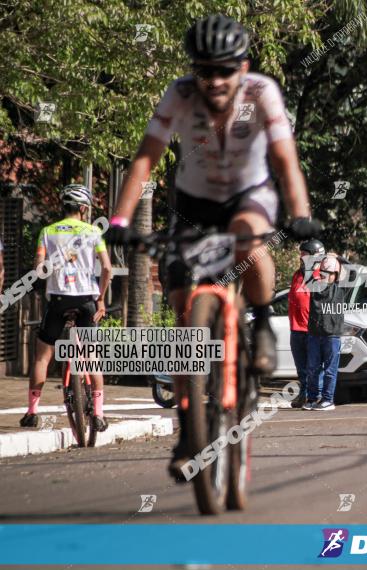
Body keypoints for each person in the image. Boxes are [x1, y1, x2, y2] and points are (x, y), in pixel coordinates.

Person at [105, 14, 315, 480]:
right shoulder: (179, 94)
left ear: (243, 66)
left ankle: (259, 324)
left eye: (225, 69)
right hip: (195, 203)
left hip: (249, 194)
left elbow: (285, 160)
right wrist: (119, 219)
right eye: (205, 70)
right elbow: (146, 158)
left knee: (248, 237)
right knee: (183, 308)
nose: (215, 80)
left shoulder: (262, 94)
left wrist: (299, 214)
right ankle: (188, 430)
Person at [20, 184, 112, 431]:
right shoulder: (93, 232)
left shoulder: (47, 232)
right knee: (91, 357)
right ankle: (100, 415)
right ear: (83, 208)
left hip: (58, 300)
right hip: (86, 301)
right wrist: (100, 299)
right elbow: (106, 269)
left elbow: (39, 267)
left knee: (42, 356)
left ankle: (32, 412)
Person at [305, 255, 346, 410]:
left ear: (335, 274)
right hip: (315, 335)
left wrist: (338, 258)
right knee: (312, 368)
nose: (325, 275)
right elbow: (306, 270)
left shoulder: (341, 289)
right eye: (322, 272)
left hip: (332, 336)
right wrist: (319, 259)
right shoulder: (314, 287)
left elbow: (354, 271)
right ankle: (312, 399)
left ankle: (328, 400)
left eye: (328, 272)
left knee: (330, 370)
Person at [288, 239, 324, 407]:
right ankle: (304, 395)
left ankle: (316, 396)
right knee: (301, 368)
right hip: (296, 329)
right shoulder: (297, 274)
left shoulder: (321, 276)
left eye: (304, 254)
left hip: (312, 330)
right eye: (301, 254)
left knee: (314, 367)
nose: (300, 257)